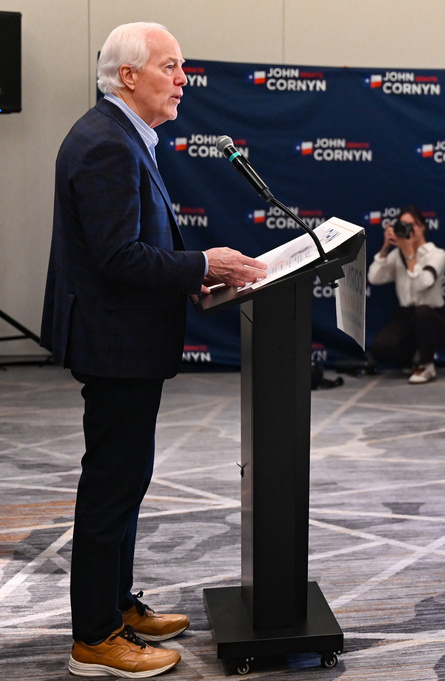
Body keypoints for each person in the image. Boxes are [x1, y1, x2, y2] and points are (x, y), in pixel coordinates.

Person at [39, 22, 267, 677]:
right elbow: (117, 257)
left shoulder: (122, 135)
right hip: (115, 344)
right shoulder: (107, 144)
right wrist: (202, 264)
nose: (182, 79)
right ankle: (94, 636)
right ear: (129, 75)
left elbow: (131, 249)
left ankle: (116, 602)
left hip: (125, 337)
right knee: (111, 486)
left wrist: (189, 276)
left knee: (127, 480)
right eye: (171, 67)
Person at [367, 205, 445, 384]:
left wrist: (410, 253)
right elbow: (374, 278)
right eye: (402, 225)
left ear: (422, 227)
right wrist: (384, 248)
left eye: (412, 225)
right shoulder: (397, 255)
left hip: (432, 318)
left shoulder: (437, 254)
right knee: (381, 347)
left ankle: (427, 365)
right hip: (406, 317)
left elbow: (423, 283)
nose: (407, 230)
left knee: (423, 313)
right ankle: (413, 357)